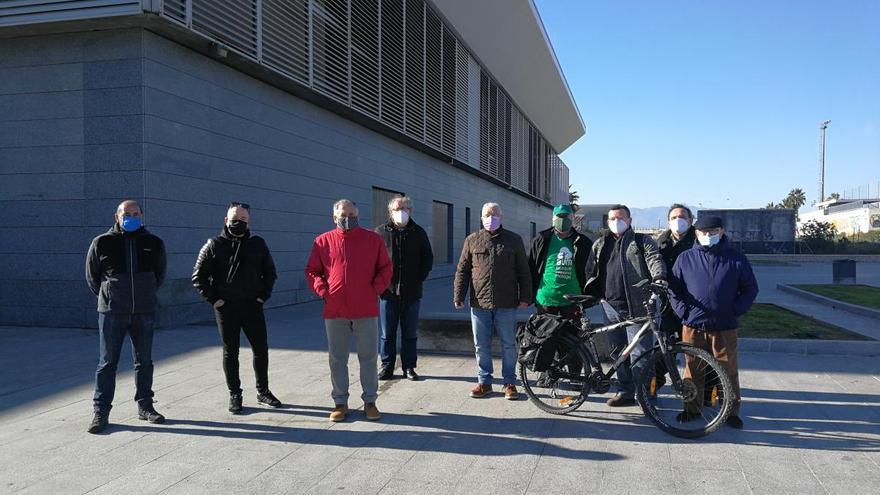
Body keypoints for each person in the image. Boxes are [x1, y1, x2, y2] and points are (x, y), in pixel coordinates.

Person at [305, 199, 393, 422]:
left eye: (352, 215)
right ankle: (340, 403)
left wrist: (375, 290)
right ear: (334, 217)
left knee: (369, 357)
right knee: (337, 358)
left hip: (366, 308)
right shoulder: (322, 242)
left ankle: (370, 401)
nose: (348, 219)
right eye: (343, 215)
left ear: (358, 216)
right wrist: (323, 290)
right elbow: (312, 271)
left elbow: (385, 268)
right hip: (335, 310)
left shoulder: (372, 240)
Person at [669, 215, 758, 429]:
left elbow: (750, 289)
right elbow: (674, 290)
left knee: (728, 370)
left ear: (722, 232)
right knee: (693, 368)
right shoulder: (685, 258)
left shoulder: (736, 259)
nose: (708, 236)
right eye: (703, 233)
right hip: (693, 325)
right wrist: (683, 312)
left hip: (724, 326)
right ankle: (691, 409)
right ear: (696, 234)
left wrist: (735, 310)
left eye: (712, 232)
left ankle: (731, 411)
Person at [85, 200, 166, 433]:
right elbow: (93, 278)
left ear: (141, 216)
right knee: (107, 363)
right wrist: (110, 297)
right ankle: (101, 412)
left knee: (144, 362)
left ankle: (146, 406)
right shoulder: (102, 242)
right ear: (116, 217)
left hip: (144, 312)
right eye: (126, 214)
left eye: (135, 213)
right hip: (112, 313)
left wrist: (145, 294)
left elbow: (159, 275)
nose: (131, 217)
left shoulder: (153, 242)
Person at [192, 202, 280, 414]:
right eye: (234, 219)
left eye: (243, 220)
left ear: (249, 222)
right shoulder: (214, 245)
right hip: (226, 308)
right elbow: (198, 276)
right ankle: (235, 393)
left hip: (252, 306)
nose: (238, 223)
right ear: (225, 220)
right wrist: (214, 300)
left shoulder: (258, 244)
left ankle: (263, 391)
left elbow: (270, 272)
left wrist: (262, 297)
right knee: (230, 352)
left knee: (261, 349)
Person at [583, 204, 666, 407]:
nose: (615, 222)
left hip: (637, 305)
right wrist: (597, 295)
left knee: (641, 354)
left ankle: (646, 395)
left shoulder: (641, 241)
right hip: (610, 306)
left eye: (620, 218)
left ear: (629, 220)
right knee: (618, 353)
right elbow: (590, 269)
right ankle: (625, 391)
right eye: (611, 219)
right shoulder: (601, 243)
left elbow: (654, 259)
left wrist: (659, 278)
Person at [453, 202, 532, 400]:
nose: (491, 218)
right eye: (487, 215)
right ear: (481, 218)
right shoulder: (472, 240)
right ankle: (484, 382)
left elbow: (524, 271)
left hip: (506, 302)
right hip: (479, 303)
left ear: (501, 217)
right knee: (481, 345)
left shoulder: (513, 240)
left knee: (508, 345)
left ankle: (509, 383)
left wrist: (525, 297)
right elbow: (462, 270)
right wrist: (458, 296)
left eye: (494, 214)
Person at [376, 196, 433, 381]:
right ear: (390, 212)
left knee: (409, 333)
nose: (401, 212)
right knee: (387, 333)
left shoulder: (419, 232)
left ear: (411, 211)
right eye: (397, 209)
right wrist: (379, 284)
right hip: (387, 292)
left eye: (405, 208)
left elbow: (427, 259)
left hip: (412, 292)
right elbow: (372, 261)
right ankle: (387, 366)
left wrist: (418, 279)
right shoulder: (380, 233)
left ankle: (409, 367)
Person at [652, 204, 696, 387]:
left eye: (682, 216)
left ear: (690, 220)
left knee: (695, 349)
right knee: (664, 346)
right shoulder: (660, 242)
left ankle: (700, 389)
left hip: (693, 304)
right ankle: (655, 383)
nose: (678, 221)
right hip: (667, 303)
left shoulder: (699, 241)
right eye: (673, 217)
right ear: (668, 221)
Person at [527, 204, 592, 319]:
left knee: (571, 336)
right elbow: (530, 266)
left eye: (566, 216)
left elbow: (591, 269)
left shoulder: (583, 242)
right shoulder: (541, 239)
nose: (562, 220)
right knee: (546, 336)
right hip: (546, 299)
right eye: (559, 216)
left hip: (573, 300)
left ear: (572, 218)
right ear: (553, 219)